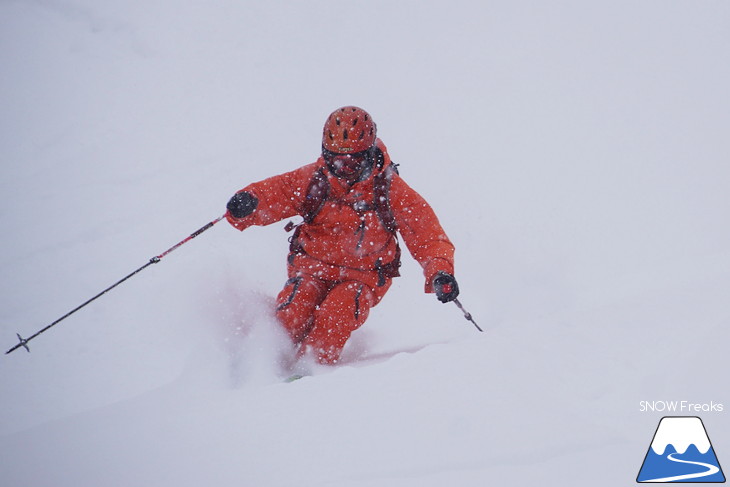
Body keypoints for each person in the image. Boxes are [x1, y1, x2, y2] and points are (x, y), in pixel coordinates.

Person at [226, 106, 459, 365]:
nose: (343, 167)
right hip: (312, 268)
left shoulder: (389, 190)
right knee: (294, 311)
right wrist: (248, 203)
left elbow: (427, 234)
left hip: (363, 276)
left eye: (353, 161)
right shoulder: (314, 180)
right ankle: (261, 365)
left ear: (368, 154)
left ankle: (309, 371)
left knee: (337, 312)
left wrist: (439, 272)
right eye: (335, 159)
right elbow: (277, 192)